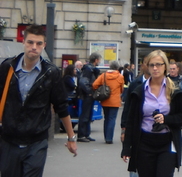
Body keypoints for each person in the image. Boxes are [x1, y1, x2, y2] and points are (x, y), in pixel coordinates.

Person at [0, 24, 79, 177]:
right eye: (30, 42)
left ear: (44, 45)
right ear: (23, 42)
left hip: (36, 141)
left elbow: (61, 106)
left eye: (38, 43)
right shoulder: (7, 67)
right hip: (9, 140)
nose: (34, 47)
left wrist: (71, 137)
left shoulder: (51, 73)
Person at [121, 50, 182, 177]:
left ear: (165, 67)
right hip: (144, 143)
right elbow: (131, 120)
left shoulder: (175, 90)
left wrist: (166, 119)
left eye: (159, 64)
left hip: (167, 143)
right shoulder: (139, 91)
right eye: (152, 65)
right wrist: (126, 147)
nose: (155, 68)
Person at [92, 60, 124, 144]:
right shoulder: (120, 76)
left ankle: (106, 136)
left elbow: (94, 85)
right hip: (115, 101)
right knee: (112, 119)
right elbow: (122, 89)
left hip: (105, 99)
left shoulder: (104, 75)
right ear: (117, 67)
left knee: (106, 118)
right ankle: (109, 138)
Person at [77, 52, 101, 142]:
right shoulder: (88, 69)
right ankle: (82, 135)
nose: (99, 62)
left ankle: (86, 134)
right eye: (99, 60)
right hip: (87, 95)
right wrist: (89, 92)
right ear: (96, 60)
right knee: (85, 115)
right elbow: (83, 82)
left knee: (89, 115)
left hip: (89, 95)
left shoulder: (90, 69)